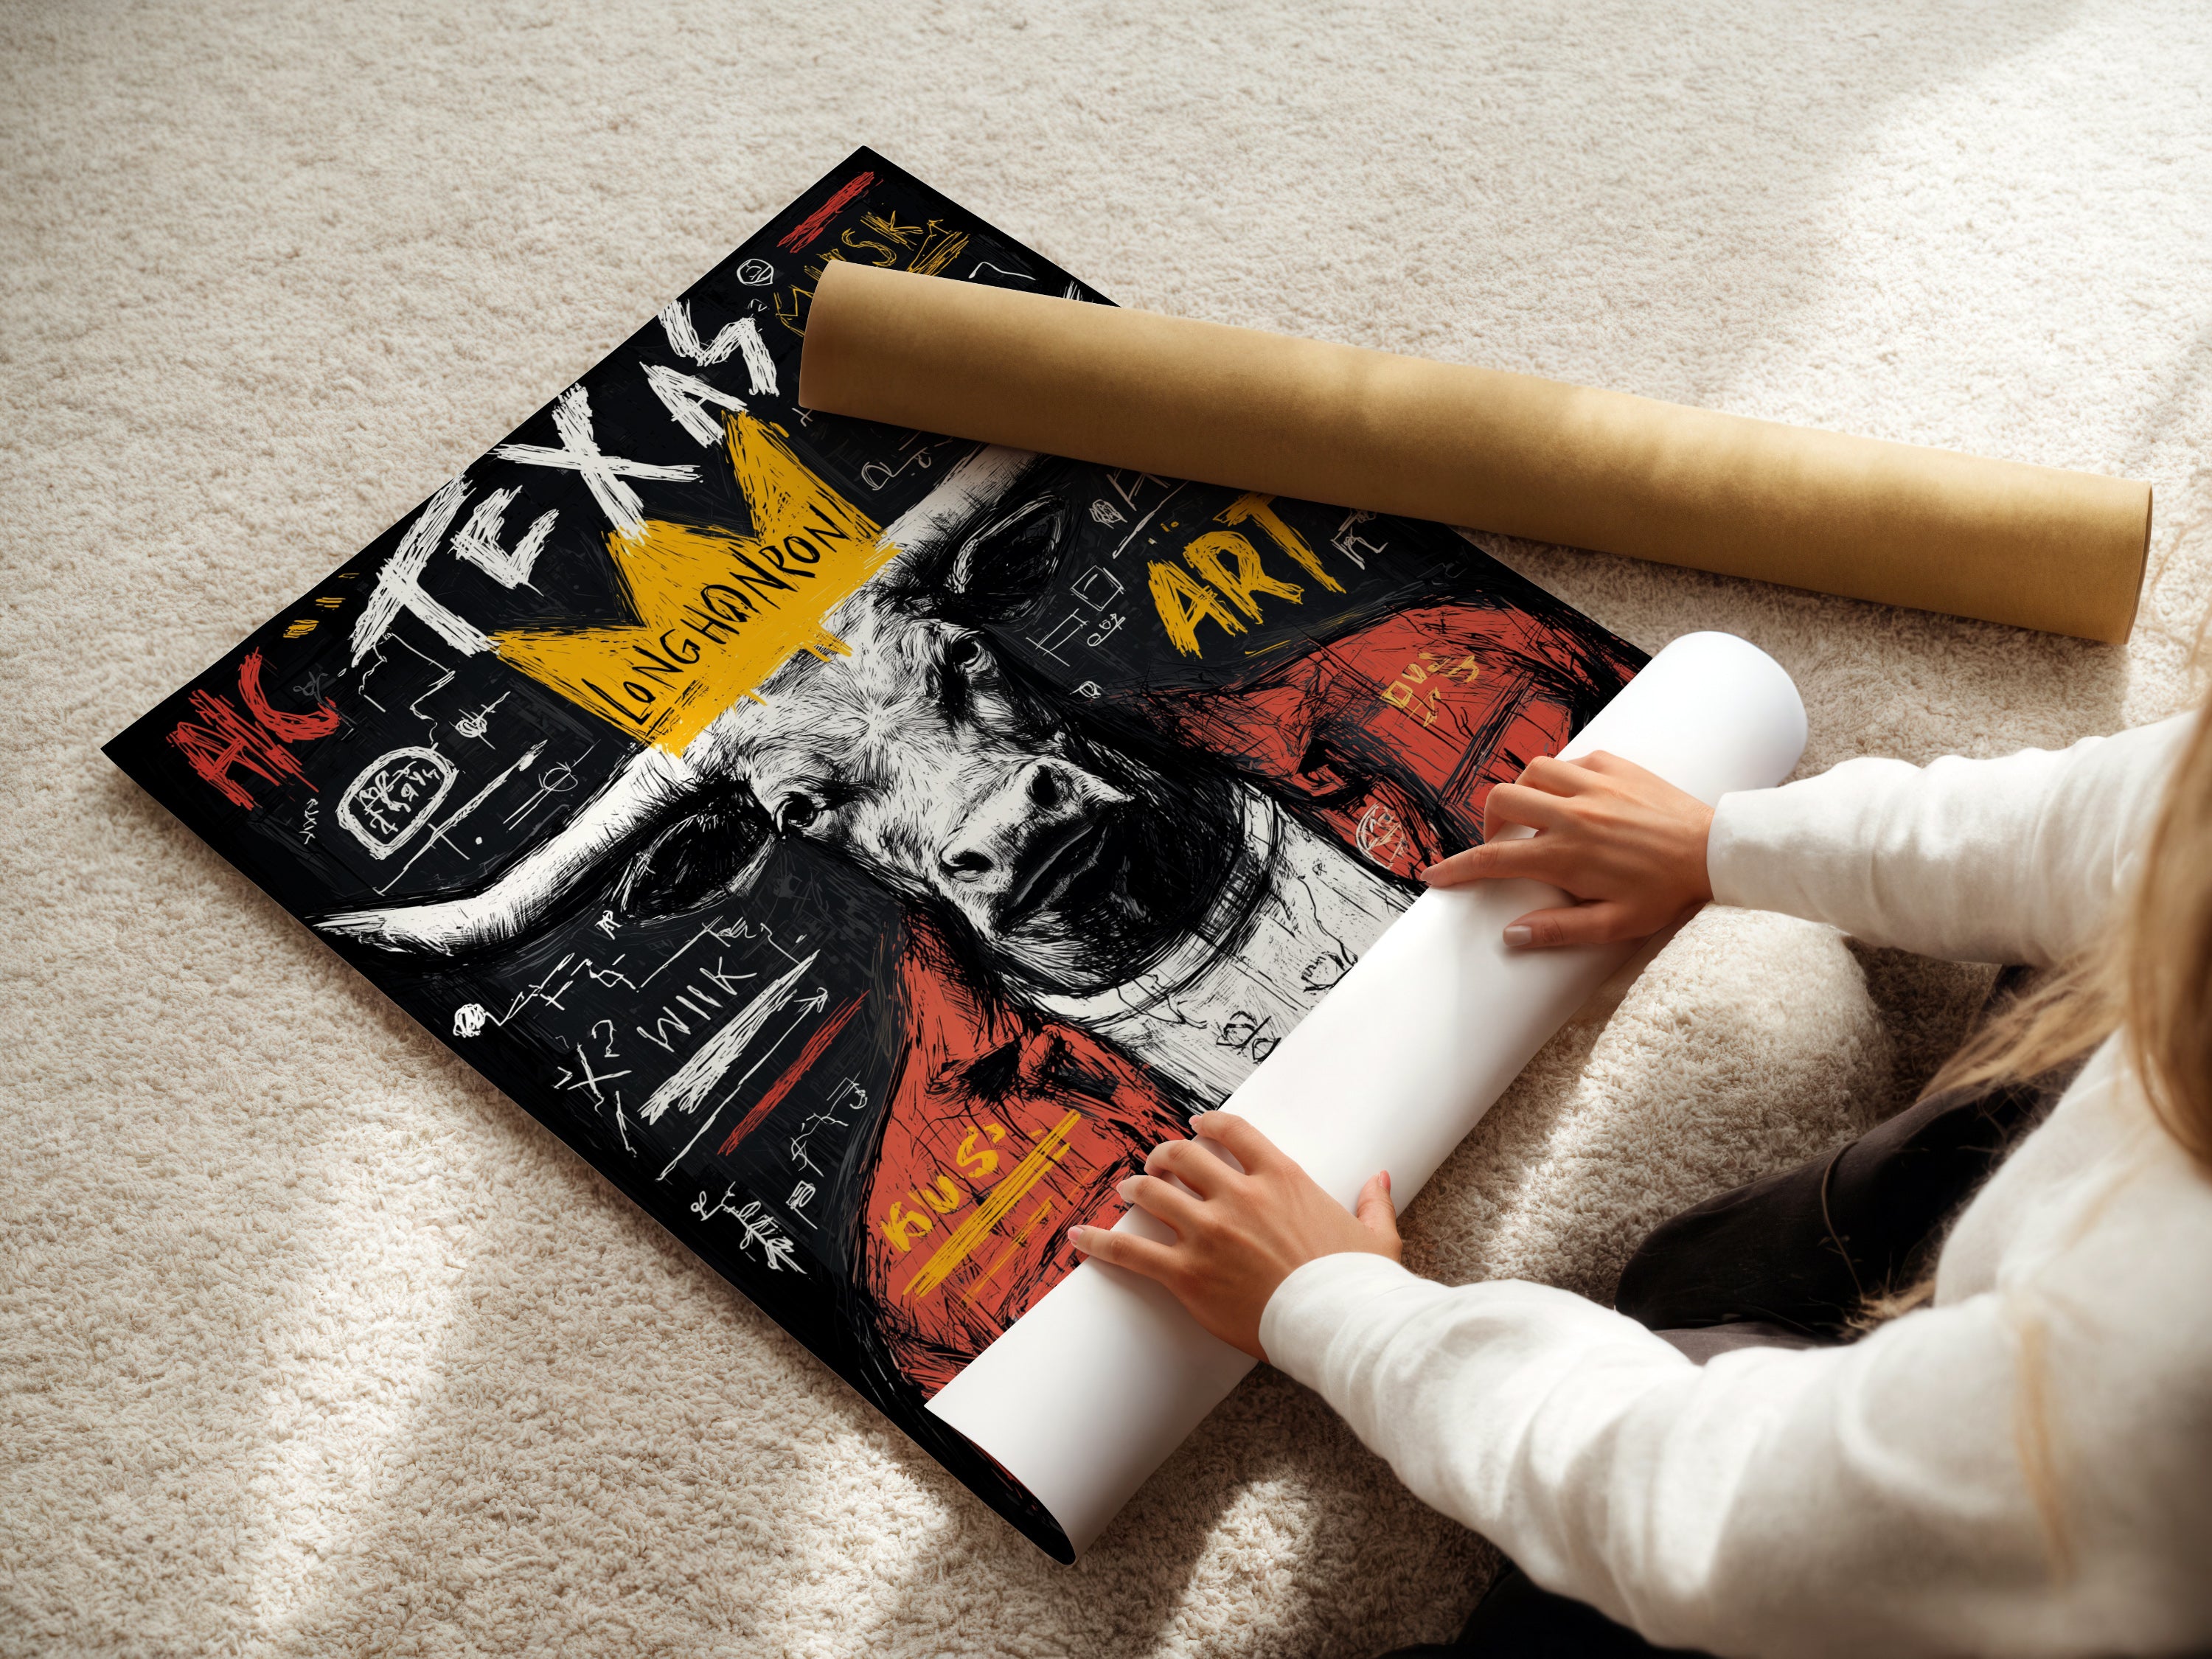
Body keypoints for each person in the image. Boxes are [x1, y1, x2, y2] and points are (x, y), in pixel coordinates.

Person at [1068, 710, 2212, 1657]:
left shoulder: (2158, 1376)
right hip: (2064, 1315)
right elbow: (2120, 817)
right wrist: (1722, 841)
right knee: (1699, 1273)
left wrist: (1338, 1308)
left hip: (2048, 1547)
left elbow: (1718, 1512)